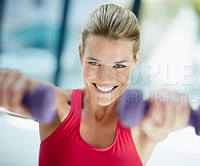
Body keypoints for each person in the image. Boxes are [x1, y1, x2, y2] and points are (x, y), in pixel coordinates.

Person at [0, 4, 190, 166]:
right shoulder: (56, 104)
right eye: (94, 63)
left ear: (136, 59)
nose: (105, 78)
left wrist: (174, 111)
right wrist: (8, 84)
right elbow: (20, 92)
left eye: (119, 65)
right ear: (81, 54)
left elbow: (161, 126)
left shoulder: (143, 124)